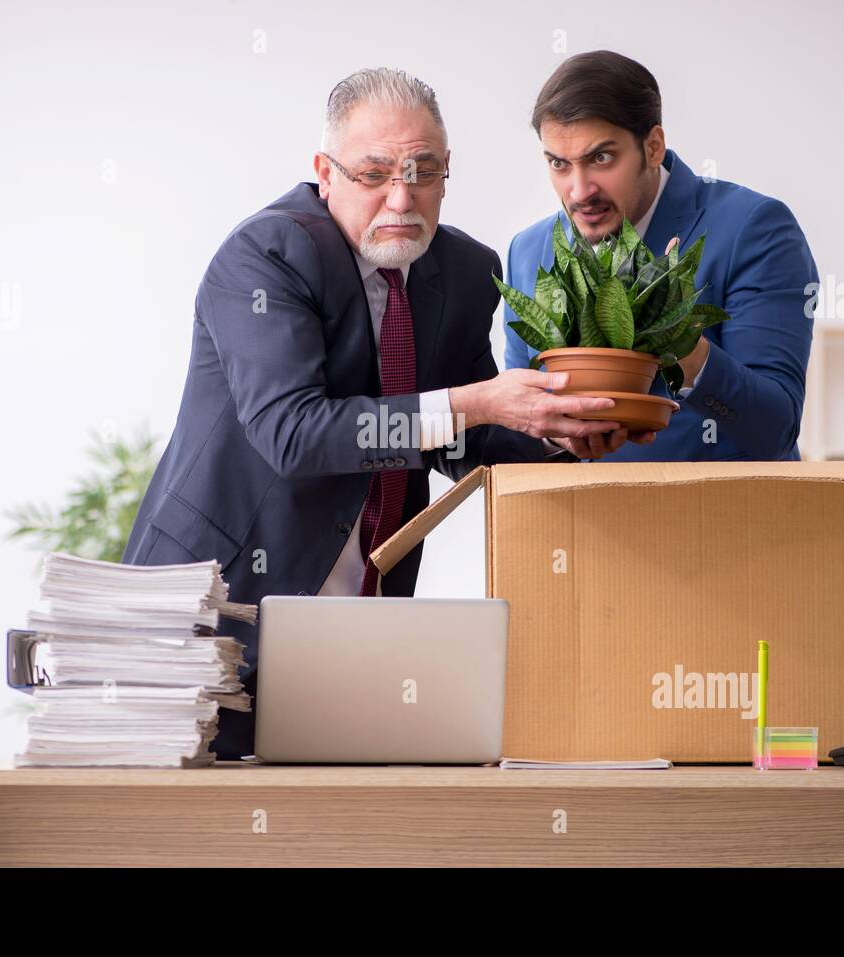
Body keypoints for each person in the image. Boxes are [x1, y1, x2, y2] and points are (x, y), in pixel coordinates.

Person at [124, 67, 626, 758]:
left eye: (424, 171)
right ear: (324, 172)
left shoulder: (459, 269)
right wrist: (478, 400)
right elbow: (293, 434)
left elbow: (462, 441)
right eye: (376, 172)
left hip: (363, 629)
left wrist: (562, 434)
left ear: (448, 174)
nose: (403, 196)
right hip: (217, 612)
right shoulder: (266, 256)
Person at [505, 51, 819, 462]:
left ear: (653, 147)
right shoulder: (529, 251)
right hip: (578, 522)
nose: (579, 191)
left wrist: (684, 346)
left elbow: (775, 427)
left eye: (601, 158)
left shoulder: (754, 229)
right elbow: (519, 437)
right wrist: (553, 436)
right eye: (559, 164)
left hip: (724, 519)